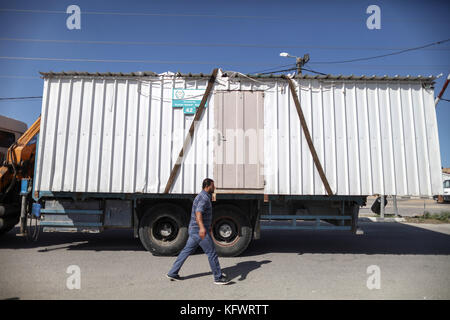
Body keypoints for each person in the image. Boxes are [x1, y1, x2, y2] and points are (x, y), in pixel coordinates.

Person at [167, 178, 230, 285]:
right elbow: (198, 213)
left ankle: (172, 273)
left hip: (194, 230)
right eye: (213, 186)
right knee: (212, 253)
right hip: (199, 231)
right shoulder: (204, 198)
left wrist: (207, 226)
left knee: (186, 251)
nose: (214, 188)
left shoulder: (202, 196)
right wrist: (202, 228)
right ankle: (218, 277)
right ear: (208, 186)